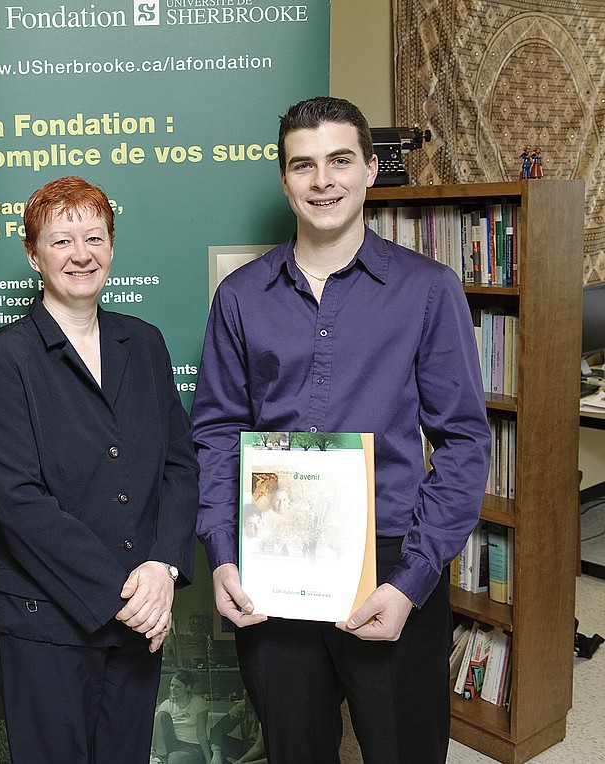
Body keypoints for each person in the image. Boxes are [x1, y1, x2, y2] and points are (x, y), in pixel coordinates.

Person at [192, 96, 491, 763]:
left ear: (370, 170)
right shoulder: (240, 297)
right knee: (294, 749)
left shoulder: (428, 290)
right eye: (304, 165)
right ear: (285, 180)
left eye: (339, 161)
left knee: (403, 747)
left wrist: (413, 579)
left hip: (391, 557)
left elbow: (466, 442)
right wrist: (223, 552)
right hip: (273, 557)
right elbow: (216, 433)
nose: (322, 179)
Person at [0, 175, 199, 763]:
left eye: (94, 237)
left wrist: (163, 569)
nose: (81, 254)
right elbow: (20, 503)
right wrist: (129, 592)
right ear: (33, 254)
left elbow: (179, 464)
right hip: (46, 627)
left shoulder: (144, 345)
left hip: (141, 616)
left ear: (112, 247)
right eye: (62, 240)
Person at [151, 670, 211, 764]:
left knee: (174, 761)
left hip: (192, 746)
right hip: (173, 743)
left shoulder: (198, 703)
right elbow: (158, 733)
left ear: (188, 688)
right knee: (161, 715)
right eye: (171, 685)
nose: (173, 689)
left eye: (177, 686)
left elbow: (202, 733)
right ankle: (159, 757)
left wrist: (208, 759)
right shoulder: (166, 705)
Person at [208, 698, 266, 764]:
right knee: (215, 742)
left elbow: (259, 747)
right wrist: (217, 752)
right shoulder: (244, 705)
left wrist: (244, 761)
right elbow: (218, 729)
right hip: (247, 747)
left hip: (264, 752)